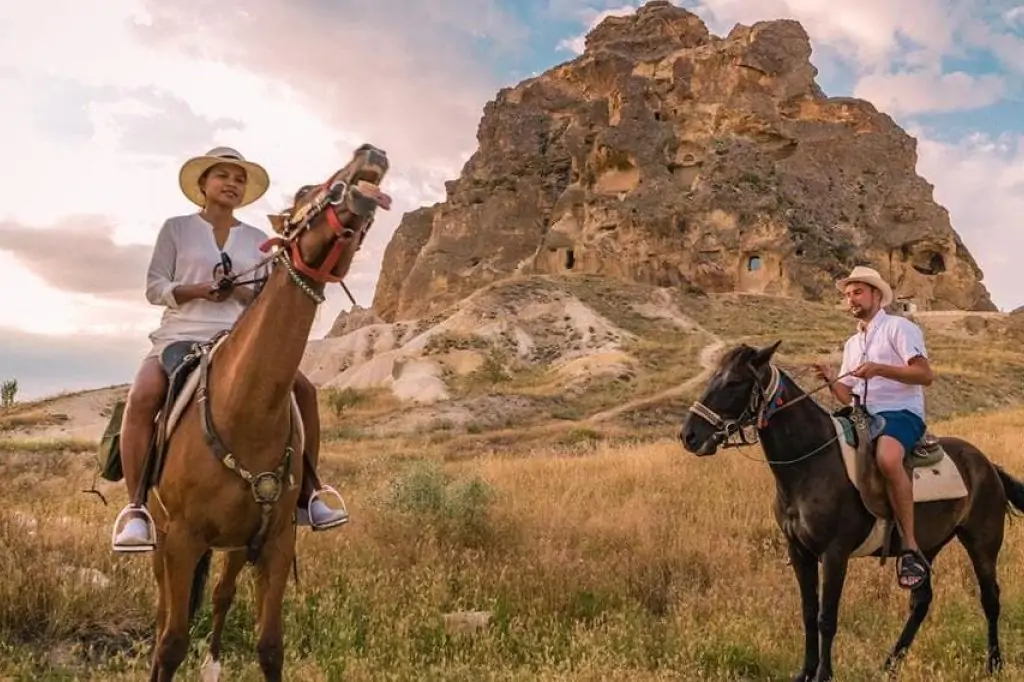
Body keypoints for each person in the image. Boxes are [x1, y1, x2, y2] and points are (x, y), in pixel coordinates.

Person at [112, 146, 349, 552]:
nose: (232, 184)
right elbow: (155, 288)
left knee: (305, 391)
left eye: (239, 179)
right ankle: (137, 510)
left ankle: (309, 492)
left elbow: (268, 296)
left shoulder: (257, 239)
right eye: (223, 176)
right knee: (142, 397)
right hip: (180, 335)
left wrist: (239, 291)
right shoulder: (176, 229)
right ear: (203, 184)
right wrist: (201, 290)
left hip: (237, 337)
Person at [813, 265, 934, 590]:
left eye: (857, 292)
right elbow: (847, 394)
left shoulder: (899, 328)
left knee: (888, 458)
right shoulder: (852, 343)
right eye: (848, 294)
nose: (851, 299)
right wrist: (830, 379)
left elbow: (924, 375)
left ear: (876, 295)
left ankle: (910, 546)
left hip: (901, 412)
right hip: (863, 414)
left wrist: (880, 369)